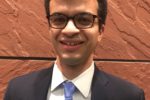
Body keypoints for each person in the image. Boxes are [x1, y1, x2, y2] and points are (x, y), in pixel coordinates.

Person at [4, 0, 145, 100]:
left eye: (84, 19)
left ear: (101, 31)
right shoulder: (17, 91)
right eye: (59, 19)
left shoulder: (128, 96)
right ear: (49, 27)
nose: (69, 30)